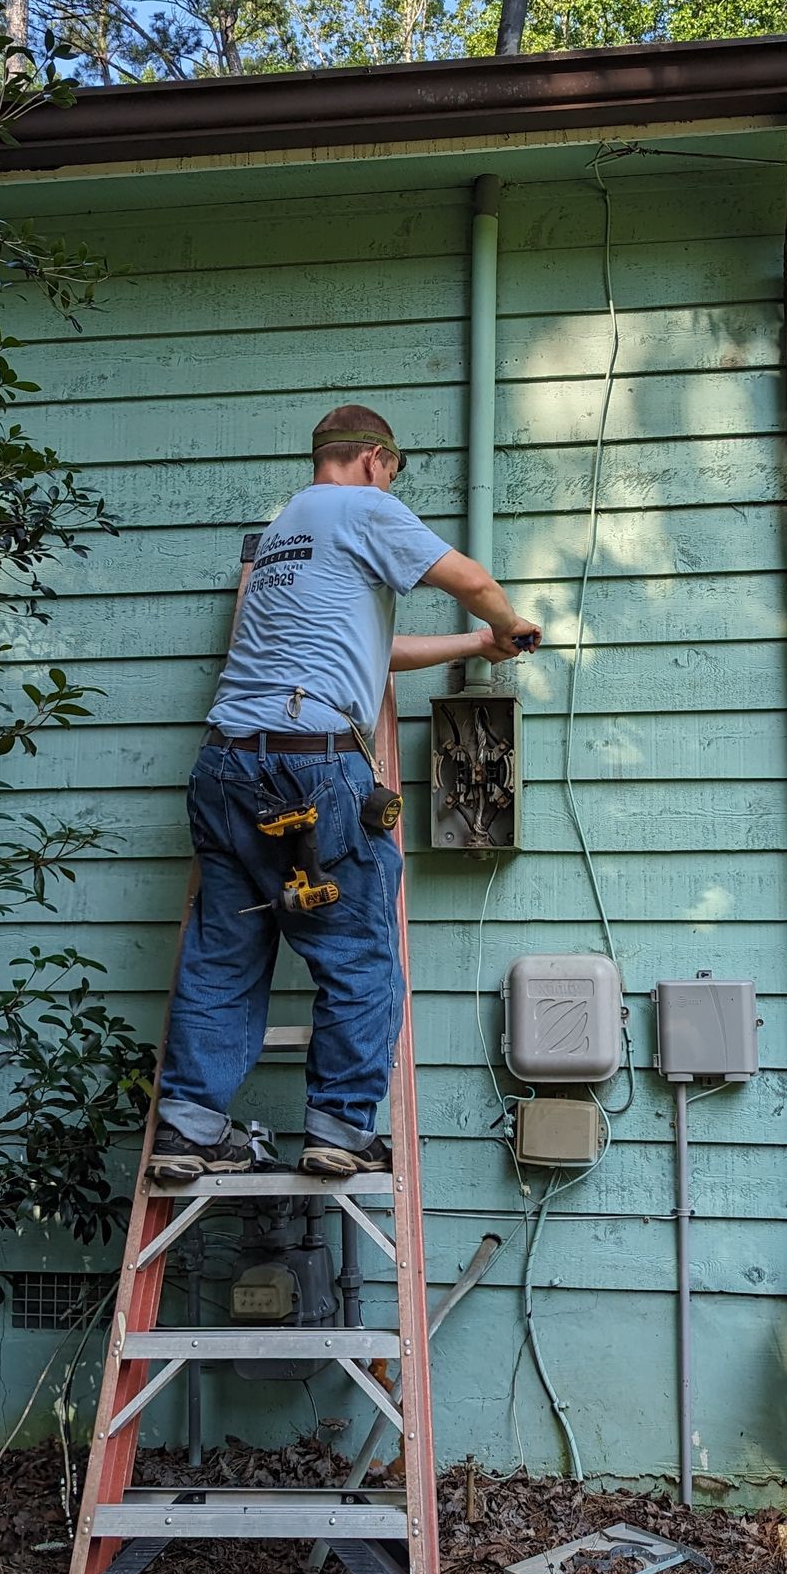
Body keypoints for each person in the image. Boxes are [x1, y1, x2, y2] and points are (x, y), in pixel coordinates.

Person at [149, 403, 542, 1182]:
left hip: (227, 765)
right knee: (359, 950)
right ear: (373, 459)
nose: (391, 483)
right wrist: (510, 622)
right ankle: (341, 1128)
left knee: (224, 957)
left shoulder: (287, 531)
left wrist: (473, 642)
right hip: (311, 767)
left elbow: (372, 650)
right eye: (393, 470)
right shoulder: (367, 507)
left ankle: (188, 1129)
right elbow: (470, 578)